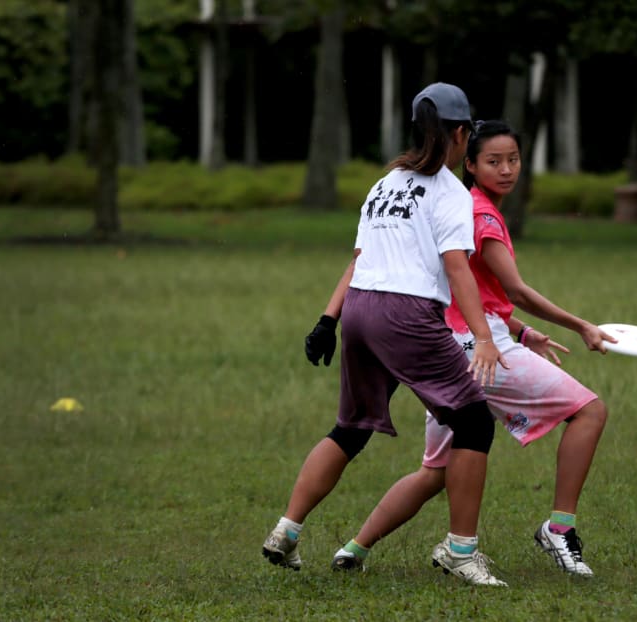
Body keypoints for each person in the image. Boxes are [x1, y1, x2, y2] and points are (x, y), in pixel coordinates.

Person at [330, 119, 615, 579]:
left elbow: (479, 294)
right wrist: (581, 325)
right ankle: (559, 529)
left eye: (514, 160)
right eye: (493, 161)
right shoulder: (479, 214)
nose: (506, 170)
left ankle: (354, 549)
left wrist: (522, 332)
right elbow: (515, 289)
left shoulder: (463, 204)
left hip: (446, 348)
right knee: (589, 411)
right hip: (478, 352)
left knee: (439, 470)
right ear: (469, 164)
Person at [262, 84, 512, 587]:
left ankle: (286, 531)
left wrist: (328, 320)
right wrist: (484, 339)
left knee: (350, 430)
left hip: (360, 309)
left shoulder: (386, 183)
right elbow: (458, 269)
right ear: (461, 134)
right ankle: (462, 551)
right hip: (406, 314)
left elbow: (359, 262)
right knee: (474, 424)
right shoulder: (451, 193)